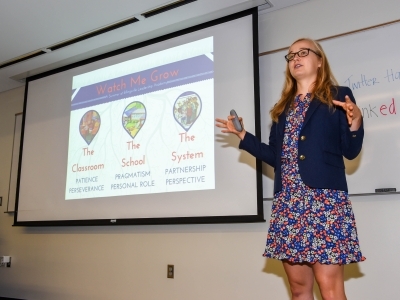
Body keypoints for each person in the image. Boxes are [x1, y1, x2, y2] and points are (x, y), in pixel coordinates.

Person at [216, 38, 365, 300]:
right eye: (291, 55)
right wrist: (243, 135)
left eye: (303, 52)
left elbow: (350, 151)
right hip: (289, 204)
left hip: (324, 203)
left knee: (330, 288)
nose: (295, 57)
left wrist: (356, 122)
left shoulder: (338, 96)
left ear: (319, 61)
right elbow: (276, 157)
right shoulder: (283, 108)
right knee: (298, 290)